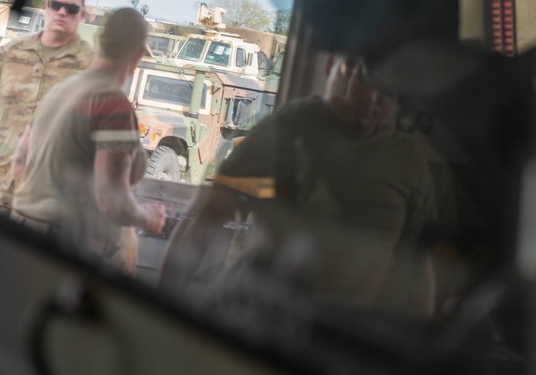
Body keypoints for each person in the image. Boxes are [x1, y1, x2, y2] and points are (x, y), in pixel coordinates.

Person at [159, 54, 437, 315]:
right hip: (263, 313)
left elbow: (418, 262)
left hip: (350, 332)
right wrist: (164, 304)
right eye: (365, 78)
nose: (374, 98)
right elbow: (213, 213)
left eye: (389, 90)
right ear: (333, 67)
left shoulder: (407, 160)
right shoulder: (289, 129)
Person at [9, 8, 167, 274]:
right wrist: (148, 217)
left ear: (99, 42)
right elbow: (112, 200)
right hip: (63, 249)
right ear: (139, 55)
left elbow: (19, 165)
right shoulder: (111, 103)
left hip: (21, 234)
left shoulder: (58, 91)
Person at [0, 0, 94, 213]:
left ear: (81, 15)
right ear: (45, 8)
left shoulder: (89, 69)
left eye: (70, 9)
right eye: (55, 5)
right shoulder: (13, 53)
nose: (61, 12)